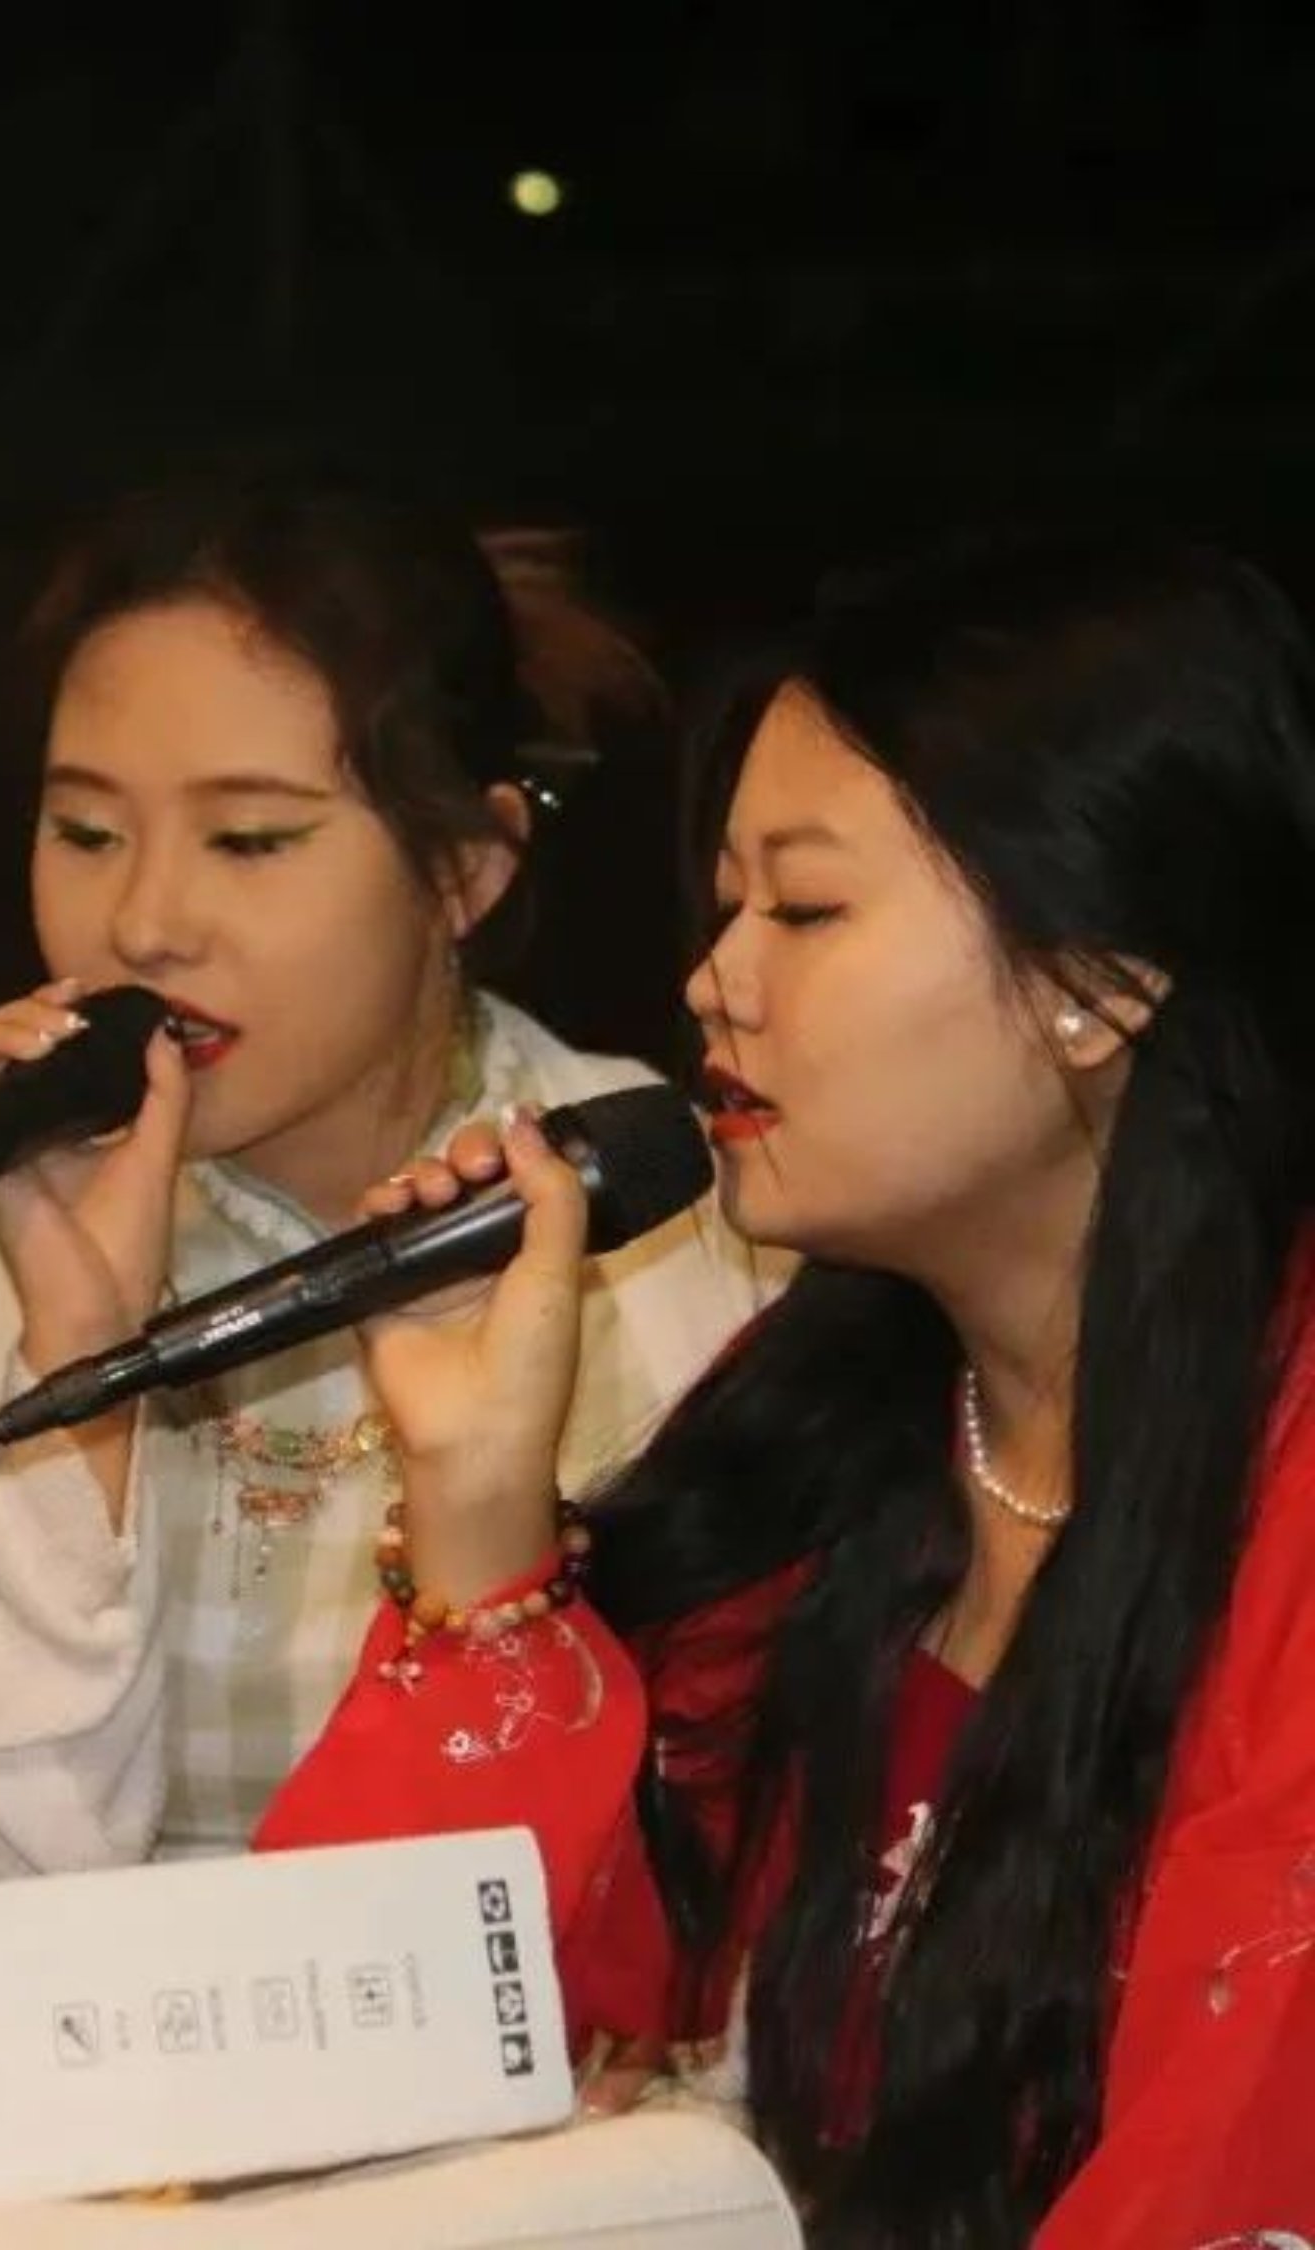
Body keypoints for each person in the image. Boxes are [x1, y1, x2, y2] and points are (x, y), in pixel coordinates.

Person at [258, 531, 1315, 2243]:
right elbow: (371, 2049)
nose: (713, 979)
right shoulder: (826, 1436)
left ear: (1097, 984)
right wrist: (474, 1510)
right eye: (725, 904)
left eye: (804, 909)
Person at [0, 467, 780, 1886]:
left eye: (249, 840)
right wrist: (72, 1367)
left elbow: (741, 1859)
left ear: (465, 869)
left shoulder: (673, 1207)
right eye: (86, 832)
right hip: (122, 2031)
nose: (144, 922)